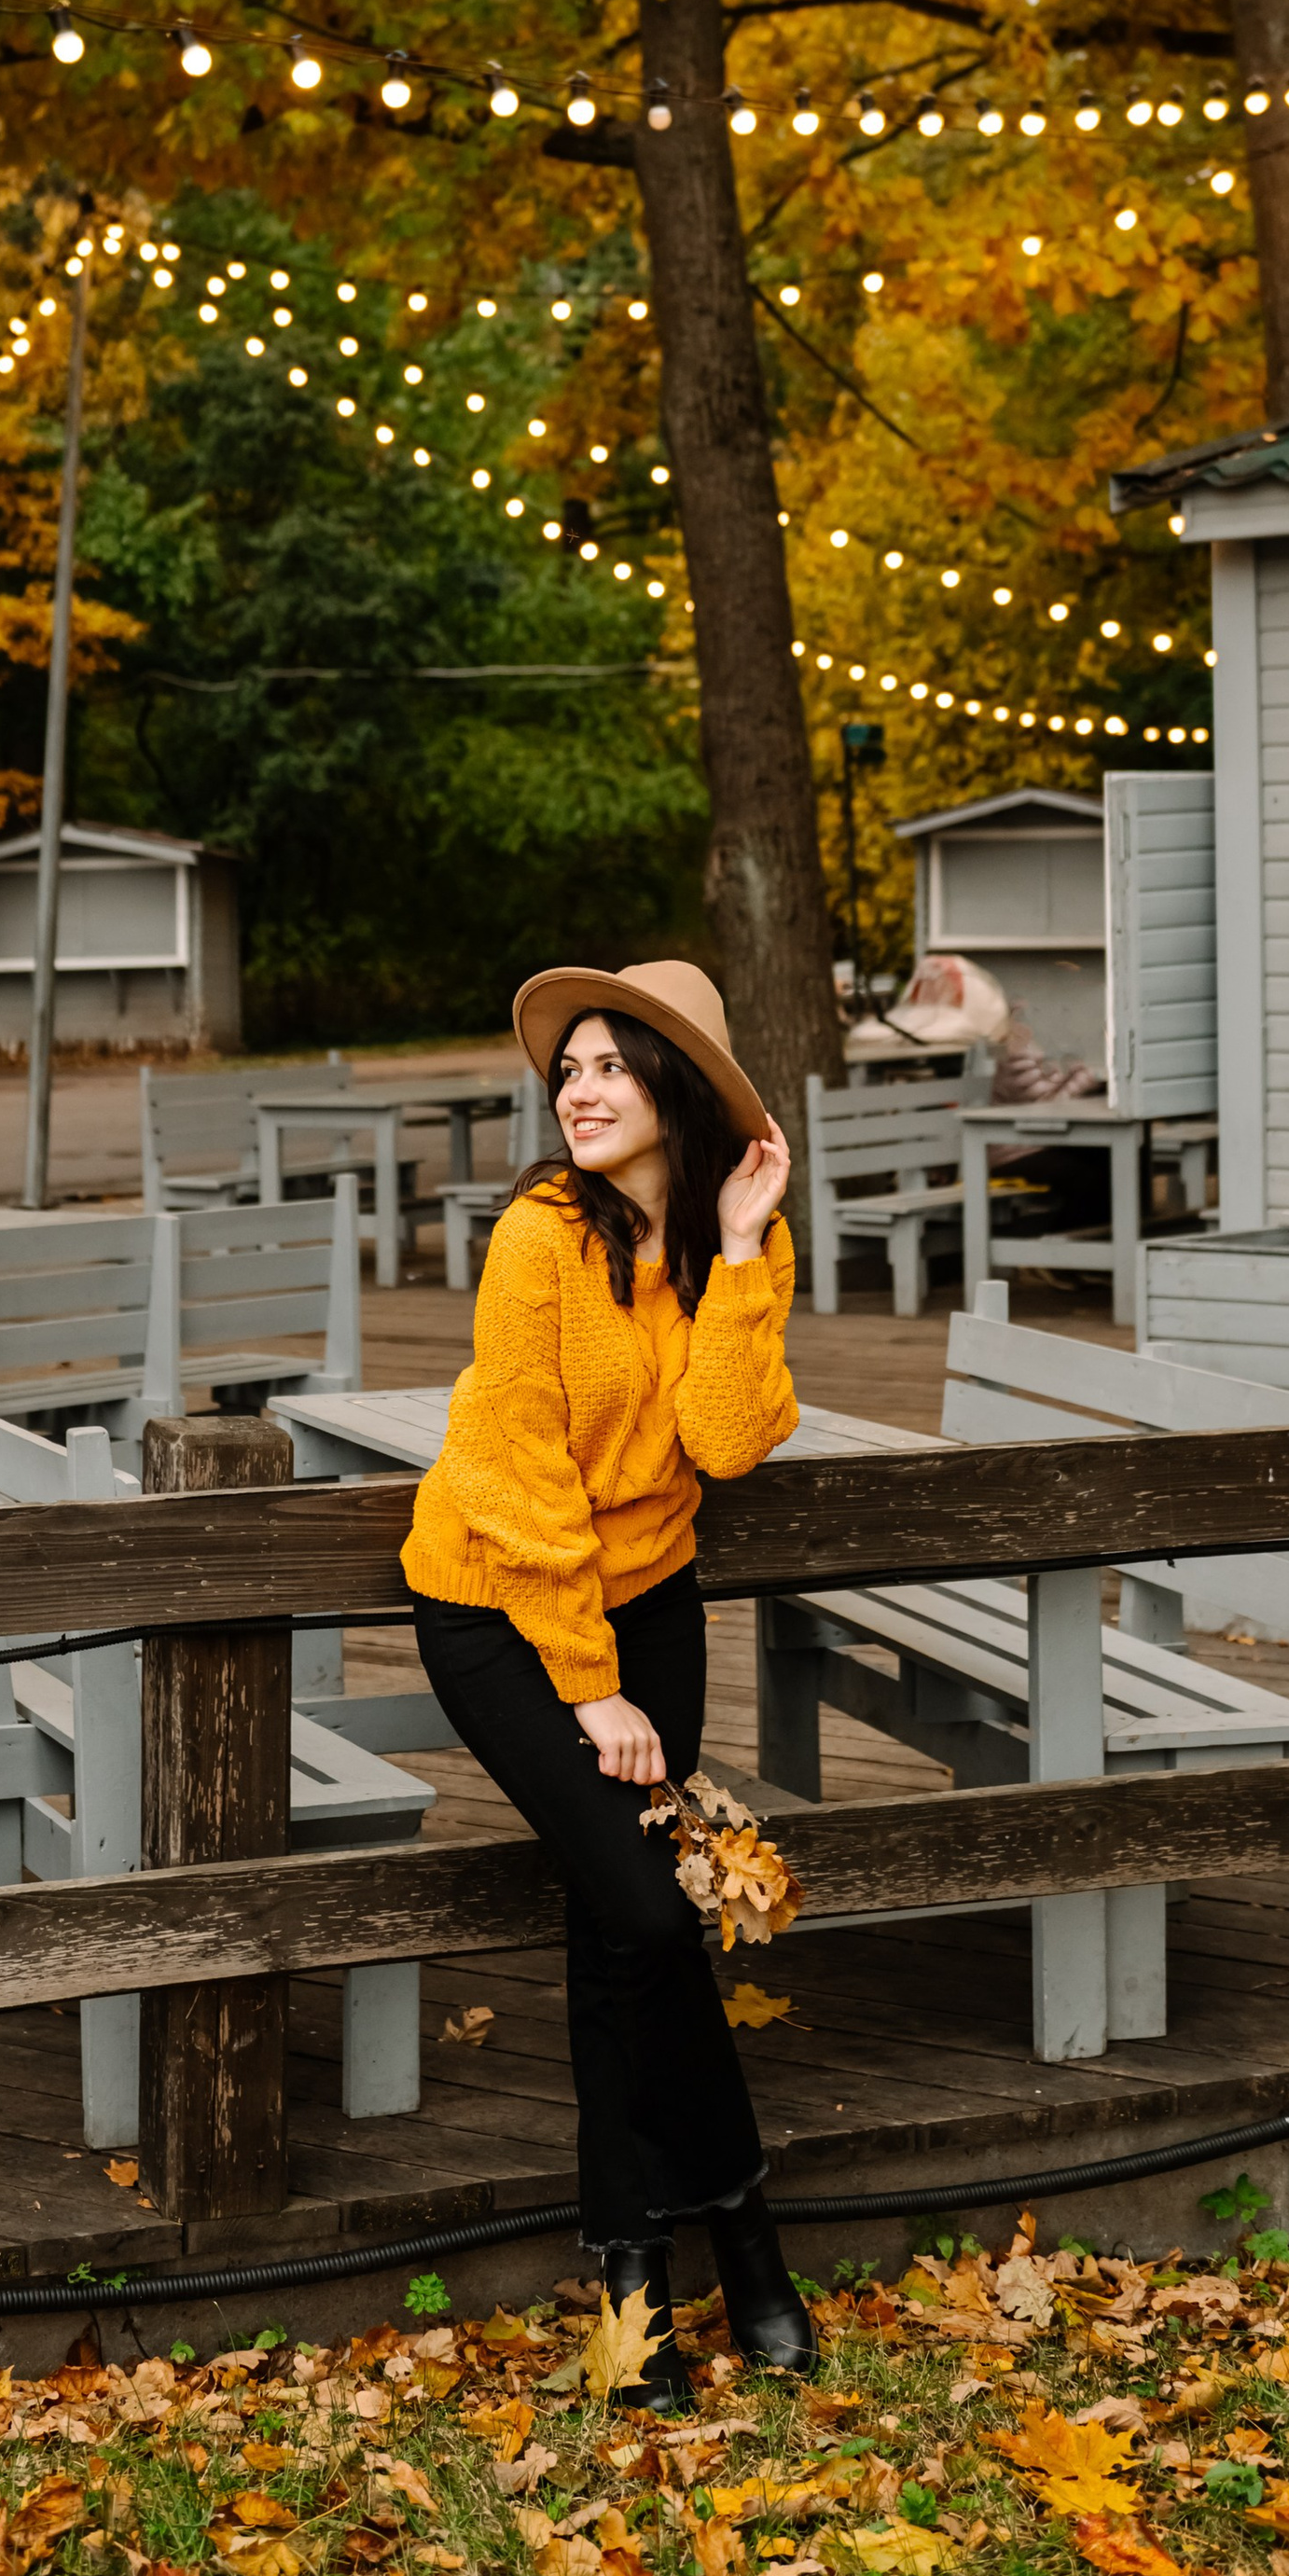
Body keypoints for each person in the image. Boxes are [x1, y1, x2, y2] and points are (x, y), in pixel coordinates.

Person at [402, 957, 817, 2409]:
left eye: (612, 1069)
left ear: (676, 1096)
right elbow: (515, 1478)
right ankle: (748, 2232)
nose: (578, 1091)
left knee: (620, 1941)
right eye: (568, 1069)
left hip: (654, 1604)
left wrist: (750, 1248)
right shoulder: (537, 1241)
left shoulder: (710, 1240)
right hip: (497, 1610)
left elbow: (728, 1433)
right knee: (650, 1907)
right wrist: (588, 1688)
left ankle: (633, 2287)